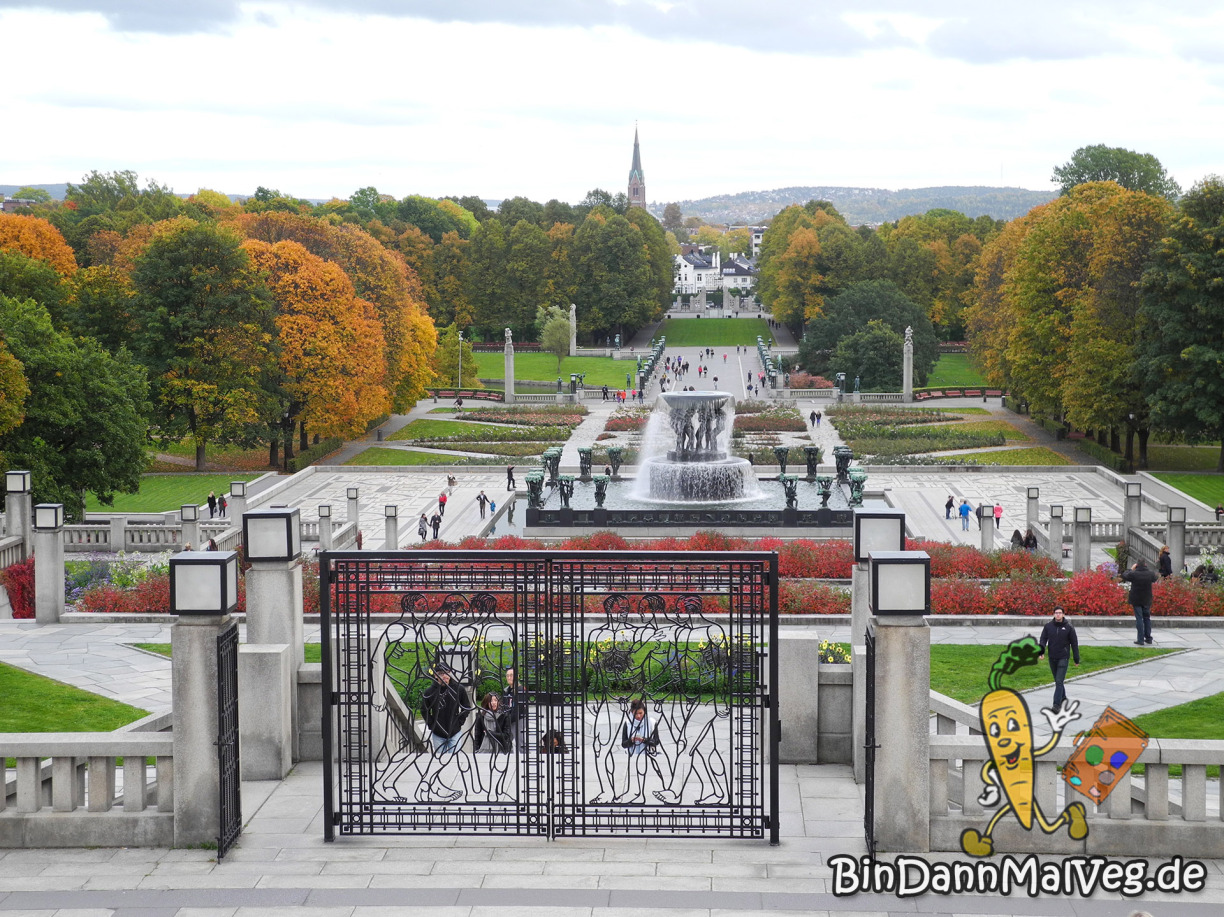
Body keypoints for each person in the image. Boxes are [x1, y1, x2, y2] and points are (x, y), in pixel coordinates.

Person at [421, 664, 471, 755]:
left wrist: (459, 721)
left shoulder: (459, 689)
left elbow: (466, 707)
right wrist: (432, 725)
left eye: (446, 673)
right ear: (435, 675)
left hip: (455, 731)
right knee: (440, 761)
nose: (444, 676)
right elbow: (424, 710)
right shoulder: (430, 691)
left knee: (455, 759)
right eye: (441, 673)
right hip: (438, 733)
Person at [1038, 606, 1080, 712]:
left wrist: (1076, 659)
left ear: (1063, 614)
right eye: (1056, 613)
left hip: (1063, 658)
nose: (1058, 614)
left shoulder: (1069, 627)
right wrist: (1041, 651)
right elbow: (1043, 639)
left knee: (1059, 681)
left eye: (1060, 613)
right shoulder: (1048, 626)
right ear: (1053, 614)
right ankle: (1063, 696)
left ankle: (1056, 705)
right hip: (1052, 657)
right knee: (1058, 681)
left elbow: (1074, 644)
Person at [1120, 559, 1159, 645]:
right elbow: (1155, 578)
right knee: (1147, 618)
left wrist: (1131, 569)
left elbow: (1124, 575)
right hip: (1147, 599)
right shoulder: (1150, 574)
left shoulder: (1134, 574)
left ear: (1137, 565)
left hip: (1136, 599)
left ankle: (1140, 639)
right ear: (1145, 565)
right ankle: (1148, 638)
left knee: (1139, 618)